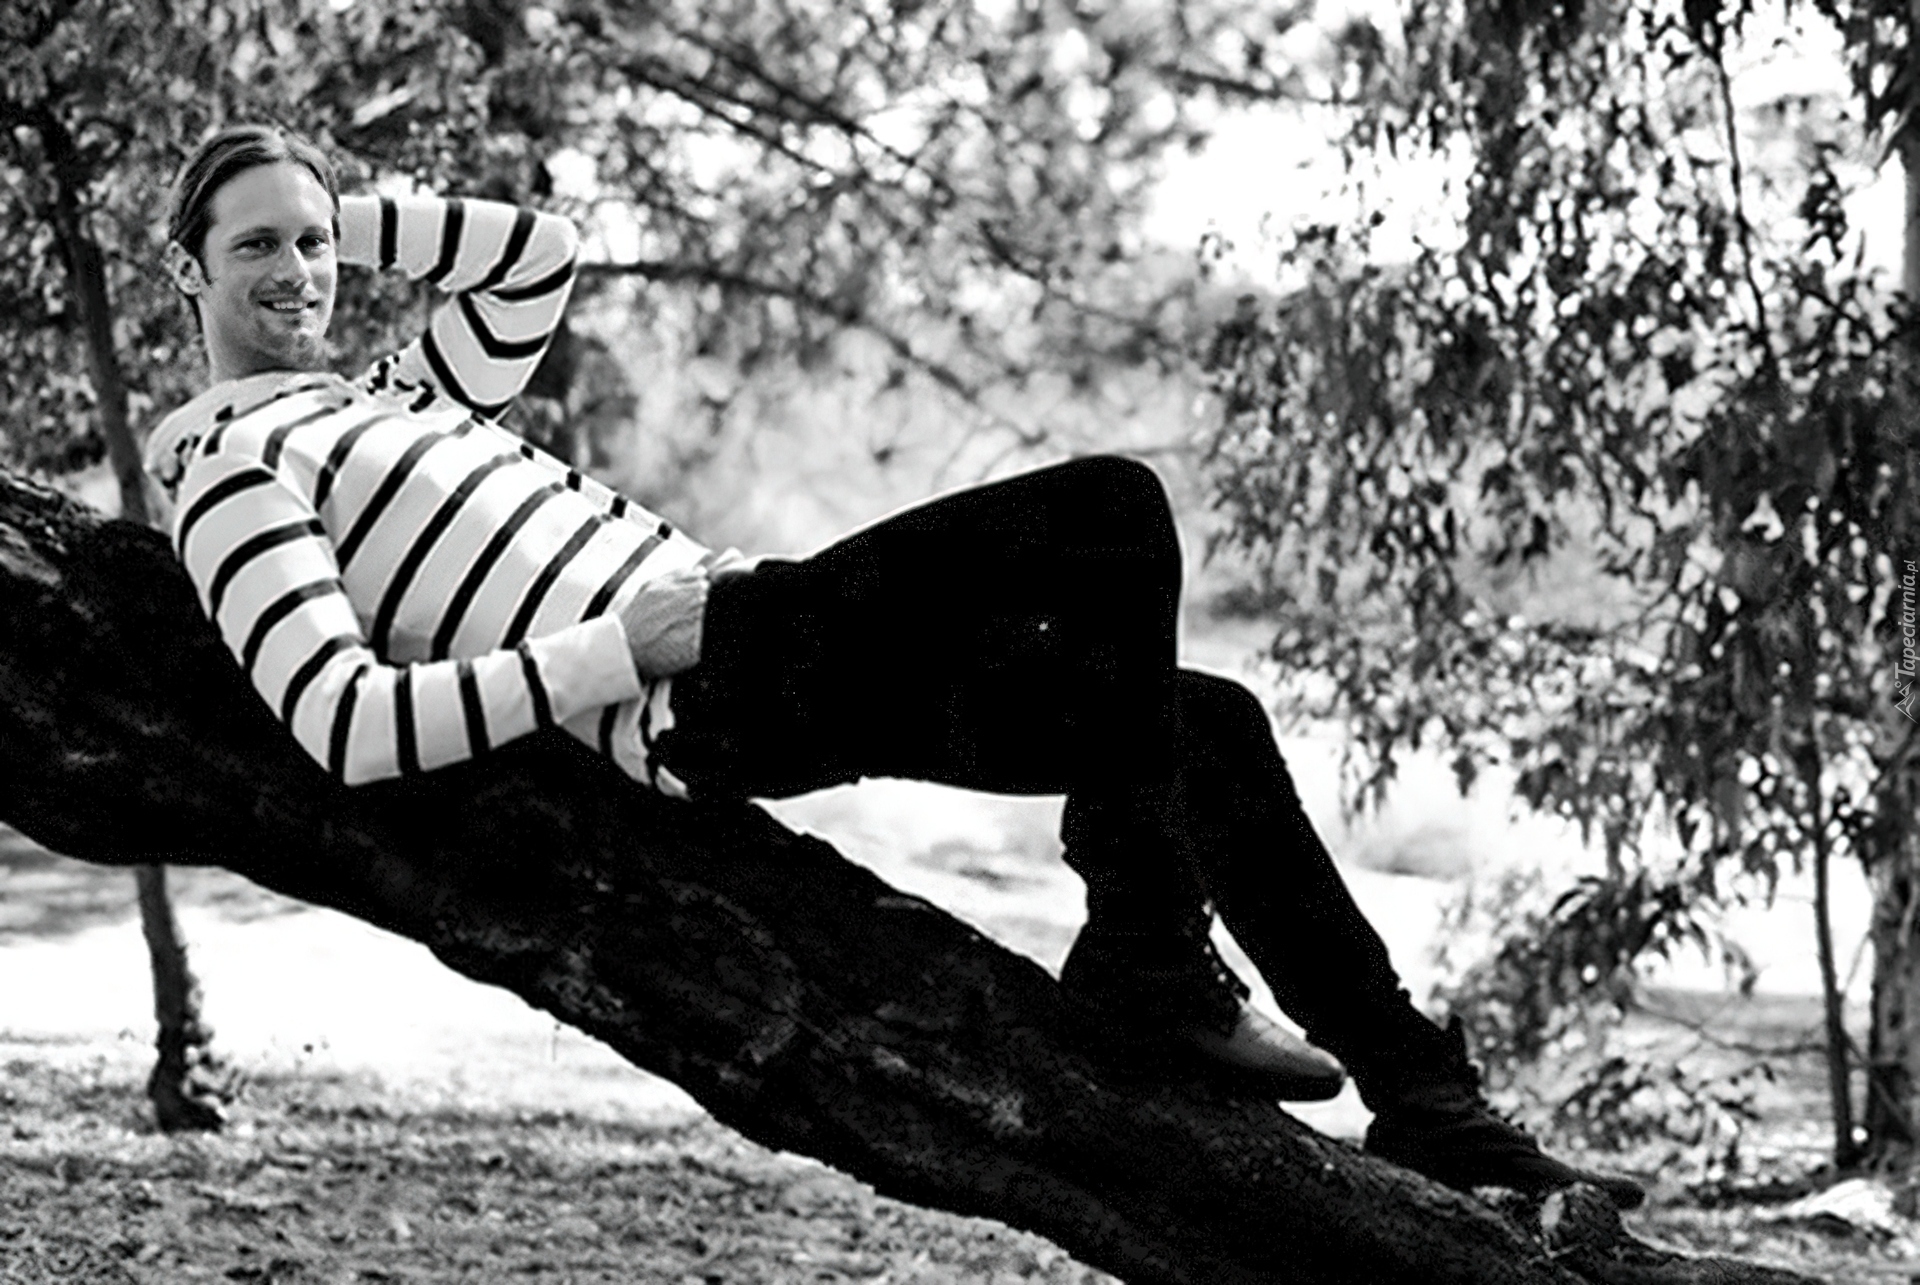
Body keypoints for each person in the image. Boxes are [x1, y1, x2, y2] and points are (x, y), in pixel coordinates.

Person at [143, 123, 1643, 1210]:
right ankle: (1144, 953)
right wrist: (615, 648)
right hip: (698, 680)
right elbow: (342, 722)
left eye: (313, 242)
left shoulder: (390, 393)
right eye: (255, 246)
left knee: (1205, 723)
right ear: (184, 271)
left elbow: (539, 255)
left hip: (756, 635)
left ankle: (1429, 1101)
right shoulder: (229, 462)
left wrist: (323, 198)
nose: (299, 269)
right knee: (1111, 511)